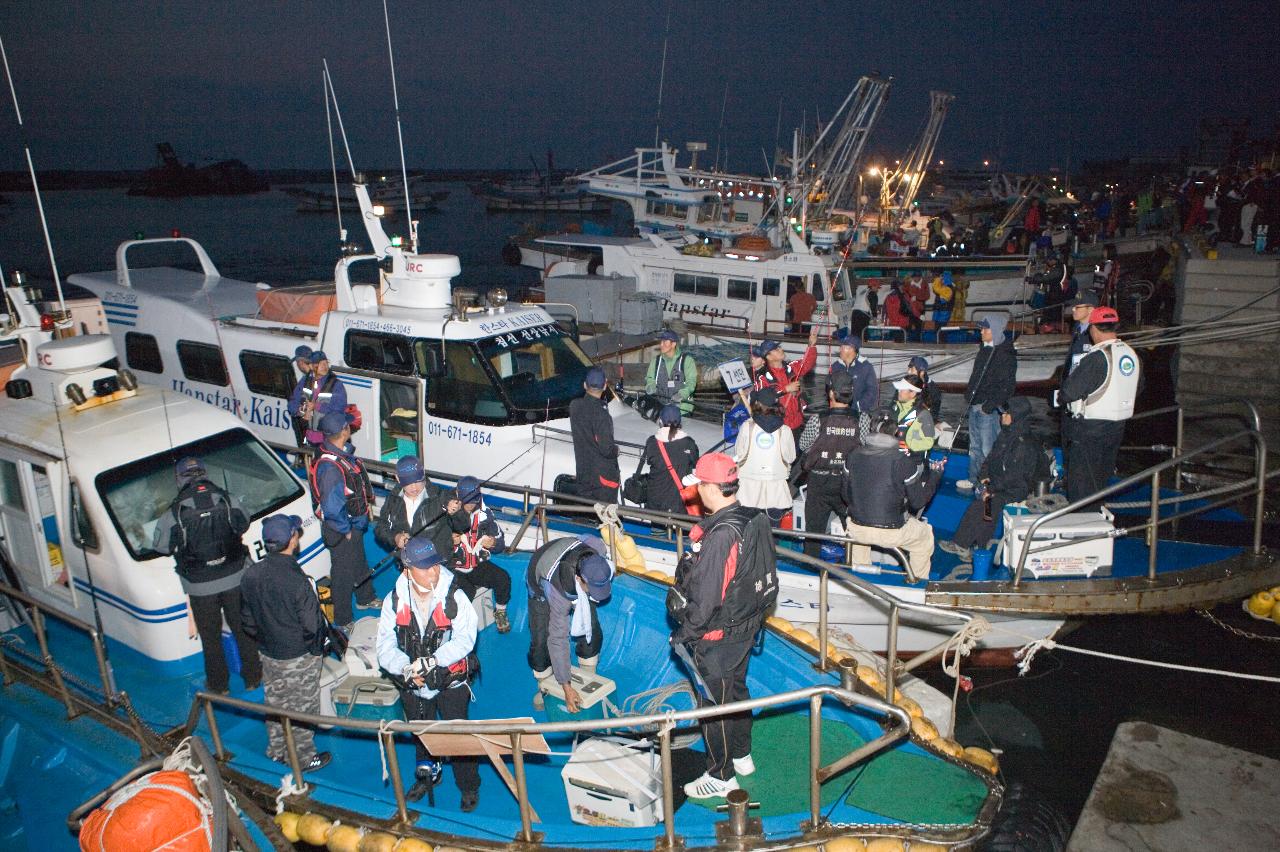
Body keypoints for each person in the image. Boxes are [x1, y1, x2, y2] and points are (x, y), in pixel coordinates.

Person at [670, 452, 777, 799]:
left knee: (713, 706)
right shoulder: (753, 518)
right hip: (747, 628)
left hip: (717, 638)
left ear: (710, 487)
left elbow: (706, 600)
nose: (697, 491)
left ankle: (720, 775)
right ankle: (743, 755)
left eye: (699, 484)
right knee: (737, 692)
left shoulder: (719, 537)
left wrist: (683, 635)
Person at [376, 536, 480, 809]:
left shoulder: (454, 597)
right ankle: (428, 775)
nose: (433, 572)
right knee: (421, 732)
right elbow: (384, 645)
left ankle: (469, 786)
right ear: (407, 569)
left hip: (449, 682)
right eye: (424, 567)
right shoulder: (393, 601)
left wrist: (434, 661)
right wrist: (406, 668)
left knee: (458, 735)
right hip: (414, 684)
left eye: (435, 565)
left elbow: (466, 639)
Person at [152, 457, 261, 695]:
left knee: (210, 638)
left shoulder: (175, 512)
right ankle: (253, 677)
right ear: (204, 473)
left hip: (200, 587)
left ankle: (219, 686)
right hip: (234, 577)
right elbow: (243, 523)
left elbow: (161, 546)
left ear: (179, 478)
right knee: (243, 630)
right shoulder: (226, 499)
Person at [239, 514, 331, 773]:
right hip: (298, 655)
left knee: (276, 703)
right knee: (302, 708)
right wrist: (314, 651)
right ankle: (302, 758)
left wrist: (266, 641)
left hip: (268, 653)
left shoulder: (251, 574)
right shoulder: (297, 580)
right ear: (292, 539)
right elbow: (312, 625)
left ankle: (277, 750)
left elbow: (246, 620)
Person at [940, 397, 1042, 560]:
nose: (1002, 416)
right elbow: (990, 460)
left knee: (983, 504)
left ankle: (961, 544)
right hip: (997, 483)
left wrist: (991, 489)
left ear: (1016, 416)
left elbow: (1015, 476)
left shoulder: (1023, 444)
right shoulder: (1006, 434)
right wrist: (985, 479)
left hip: (1015, 488)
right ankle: (980, 546)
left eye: (1006, 414)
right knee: (987, 504)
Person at [1060, 307, 1141, 504]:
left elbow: (1069, 392)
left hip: (1090, 430)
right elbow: (1138, 387)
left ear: (1093, 329)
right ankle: (1096, 518)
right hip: (1117, 428)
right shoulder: (1131, 354)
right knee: (1100, 481)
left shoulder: (1097, 358)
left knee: (1082, 486)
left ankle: (1083, 526)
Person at [526, 534, 613, 713]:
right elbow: (558, 639)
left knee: (592, 629)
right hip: (540, 584)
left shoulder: (597, 551)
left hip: (568, 559)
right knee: (542, 641)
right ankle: (545, 687)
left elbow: (587, 538)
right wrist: (566, 687)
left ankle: (589, 676)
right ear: (581, 580)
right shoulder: (557, 591)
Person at [308, 410, 380, 627]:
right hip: (341, 529)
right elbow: (331, 506)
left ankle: (365, 598)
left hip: (353, 525)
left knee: (359, 562)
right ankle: (343, 619)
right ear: (343, 432)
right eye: (348, 426)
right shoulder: (330, 468)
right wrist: (345, 530)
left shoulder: (340, 454)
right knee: (342, 576)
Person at [843, 422, 938, 582]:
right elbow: (918, 502)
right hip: (891, 531)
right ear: (896, 436)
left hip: (857, 528)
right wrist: (935, 476)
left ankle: (860, 579)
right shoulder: (903, 461)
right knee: (925, 537)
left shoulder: (852, 455)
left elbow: (845, 495)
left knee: (859, 538)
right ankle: (917, 583)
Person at [799, 372, 861, 557]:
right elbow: (864, 446)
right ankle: (853, 563)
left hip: (819, 481)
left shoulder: (818, 419)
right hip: (848, 482)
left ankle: (811, 568)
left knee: (813, 531)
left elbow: (803, 445)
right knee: (853, 528)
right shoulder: (862, 419)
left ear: (831, 393)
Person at [446, 476, 512, 633]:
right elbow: (432, 543)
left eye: (473, 500)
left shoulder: (485, 514)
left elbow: (500, 542)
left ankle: (500, 611)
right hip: (452, 566)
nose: (470, 505)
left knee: (502, 578)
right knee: (467, 591)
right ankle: (457, 626)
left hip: (475, 564)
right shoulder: (446, 511)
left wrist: (493, 543)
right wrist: (449, 541)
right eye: (466, 500)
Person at [961, 315, 1016, 490]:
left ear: (996, 331)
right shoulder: (983, 350)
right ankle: (973, 479)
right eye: (981, 328)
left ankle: (987, 485)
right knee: (974, 447)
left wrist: (988, 407)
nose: (981, 331)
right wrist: (969, 396)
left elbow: (1007, 387)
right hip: (974, 406)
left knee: (987, 449)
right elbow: (975, 376)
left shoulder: (1005, 355)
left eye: (986, 328)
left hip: (987, 410)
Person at [375, 456, 459, 570]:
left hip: (439, 566)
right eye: (408, 482)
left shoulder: (440, 496)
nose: (414, 487)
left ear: (423, 473)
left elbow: (462, 524)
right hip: (408, 566)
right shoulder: (392, 500)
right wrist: (395, 537)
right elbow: (380, 528)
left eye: (417, 480)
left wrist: (457, 511)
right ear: (398, 478)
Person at [734, 387, 796, 526]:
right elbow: (791, 457)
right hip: (776, 493)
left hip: (749, 492)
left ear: (757, 404)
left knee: (748, 534)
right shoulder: (785, 430)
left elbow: (739, 454)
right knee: (772, 536)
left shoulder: (747, 427)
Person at [753, 329, 817, 445]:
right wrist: (786, 389)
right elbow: (762, 398)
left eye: (780, 347)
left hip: (796, 422)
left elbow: (807, 363)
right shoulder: (762, 377)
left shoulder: (791, 367)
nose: (781, 350)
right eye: (776, 349)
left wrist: (811, 346)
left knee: (795, 456)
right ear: (768, 357)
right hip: (777, 425)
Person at [633, 404, 700, 514]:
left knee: (657, 528)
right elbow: (695, 463)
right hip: (679, 501)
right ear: (679, 423)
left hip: (656, 499)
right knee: (680, 528)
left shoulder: (652, 442)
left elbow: (650, 460)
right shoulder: (689, 443)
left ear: (661, 421)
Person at [569, 366, 620, 503]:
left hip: (584, 473)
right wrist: (616, 450)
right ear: (605, 386)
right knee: (606, 518)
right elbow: (607, 449)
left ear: (585, 385)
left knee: (586, 514)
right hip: (602, 481)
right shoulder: (601, 414)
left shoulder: (574, 406)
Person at [289, 350, 347, 444]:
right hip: (308, 439)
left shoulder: (336, 385)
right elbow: (292, 403)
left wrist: (316, 406)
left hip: (329, 440)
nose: (324, 366)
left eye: (326, 363)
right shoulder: (305, 381)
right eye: (320, 364)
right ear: (311, 366)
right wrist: (301, 411)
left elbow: (339, 408)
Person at [828, 329, 879, 436]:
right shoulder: (835, 366)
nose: (840, 349)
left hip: (858, 414)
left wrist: (857, 406)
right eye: (840, 347)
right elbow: (828, 388)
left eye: (843, 347)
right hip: (838, 413)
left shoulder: (866, 367)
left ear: (852, 349)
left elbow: (872, 392)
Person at [644, 329, 698, 415]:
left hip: (682, 410)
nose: (661, 344)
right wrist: (650, 386)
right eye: (661, 341)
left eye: (665, 342)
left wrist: (682, 394)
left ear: (673, 344)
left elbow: (691, 382)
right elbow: (650, 378)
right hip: (661, 408)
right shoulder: (656, 361)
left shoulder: (687, 361)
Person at [891, 375, 936, 462]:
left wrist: (908, 443)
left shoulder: (923, 414)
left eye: (902, 389)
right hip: (894, 457)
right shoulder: (895, 408)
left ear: (913, 393)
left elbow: (929, 442)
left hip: (912, 461)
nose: (898, 391)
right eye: (899, 389)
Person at [1061, 291, 1099, 379]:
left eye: (1077, 307)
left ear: (1090, 309)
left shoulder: (1098, 332)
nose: (1073, 309)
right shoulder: (1077, 327)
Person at [290, 345, 315, 449]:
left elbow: (305, 403)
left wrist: (298, 414)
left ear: (300, 362)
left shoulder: (309, 380)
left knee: (307, 453)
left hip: (307, 425)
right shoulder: (316, 376)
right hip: (311, 425)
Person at [906, 356, 942, 423]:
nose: (908, 372)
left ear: (922, 372)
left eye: (912, 369)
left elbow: (934, 413)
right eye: (908, 368)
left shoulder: (933, 390)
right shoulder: (905, 384)